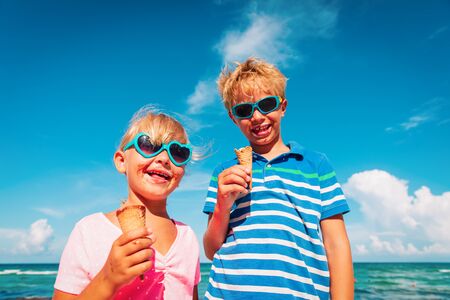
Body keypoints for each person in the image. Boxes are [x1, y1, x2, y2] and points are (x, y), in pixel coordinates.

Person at [203, 58, 354, 299]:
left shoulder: (316, 165)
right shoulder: (224, 173)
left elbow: (337, 246)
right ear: (234, 118)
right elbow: (211, 250)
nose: (256, 116)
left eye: (267, 104)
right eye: (244, 110)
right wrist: (223, 205)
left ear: (282, 107)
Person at [54, 106, 201, 299]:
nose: (164, 158)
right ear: (122, 161)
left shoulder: (187, 236)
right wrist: (108, 278)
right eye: (148, 145)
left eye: (178, 152)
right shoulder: (89, 231)